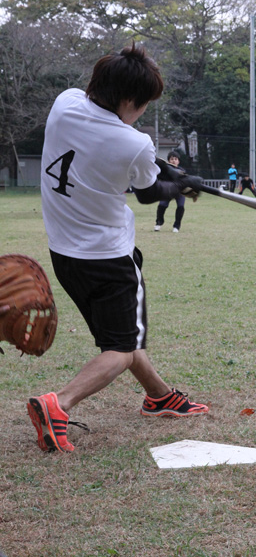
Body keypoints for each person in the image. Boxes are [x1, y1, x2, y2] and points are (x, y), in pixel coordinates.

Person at [28, 43, 208, 454]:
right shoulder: (135, 142)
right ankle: (58, 404)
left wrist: (174, 173)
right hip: (109, 258)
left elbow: (141, 165)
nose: (142, 111)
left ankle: (160, 397)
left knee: (119, 336)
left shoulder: (65, 103)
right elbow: (149, 193)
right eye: (142, 104)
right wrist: (183, 185)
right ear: (129, 100)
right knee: (122, 348)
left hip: (65, 255)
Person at [154, 151, 187, 232]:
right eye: (172, 159)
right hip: (167, 191)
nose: (174, 161)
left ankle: (177, 226)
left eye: (176, 159)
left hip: (179, 192)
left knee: (181, 206)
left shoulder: (182, 171)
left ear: (178, 161)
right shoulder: (164, 170)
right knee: (162, 205)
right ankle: (159, 222)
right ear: (168, 161)